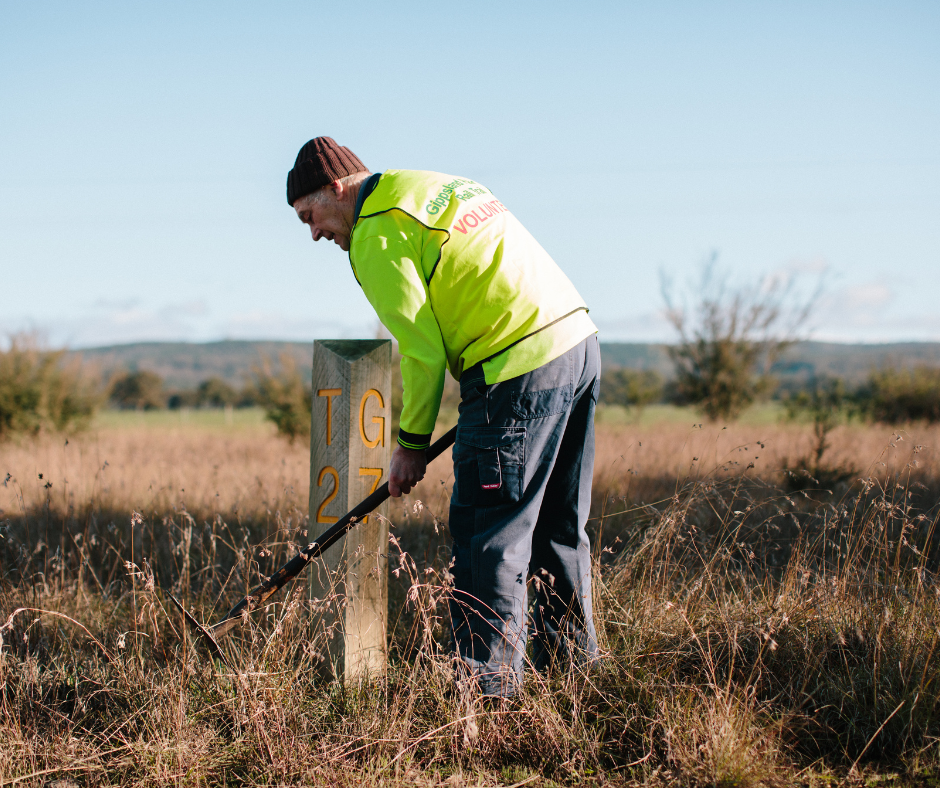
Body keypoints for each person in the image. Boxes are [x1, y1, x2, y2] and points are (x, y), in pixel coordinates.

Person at [287, 136, 601, 697]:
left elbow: (423, 350)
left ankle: (489, 704)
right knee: (558, 528)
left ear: (338, 188)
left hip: (511, 361)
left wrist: (409, 445)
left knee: (489, 535)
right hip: (576, 343)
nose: (314, 234)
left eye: (311, 216)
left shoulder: (375, 235)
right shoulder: (430, 187)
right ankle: (577, 684)